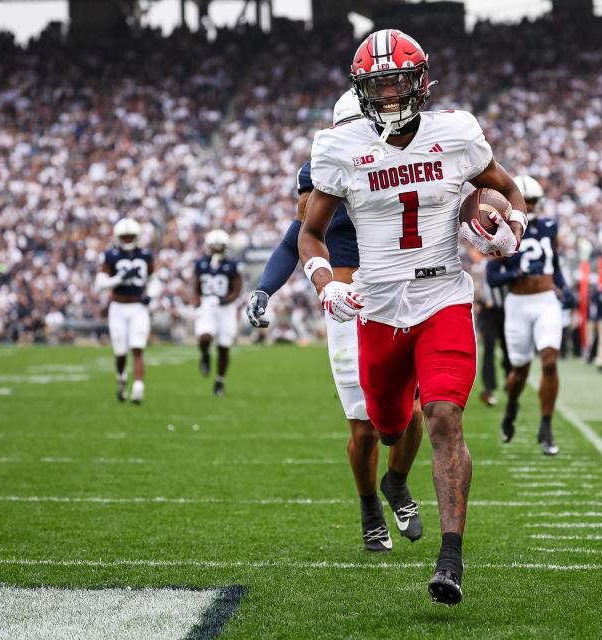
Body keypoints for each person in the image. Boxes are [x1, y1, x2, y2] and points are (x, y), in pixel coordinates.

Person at [297, 29, 527, 606]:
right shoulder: (339, 147)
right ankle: (392, 481)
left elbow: (508, 188)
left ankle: (451, 559)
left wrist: (511, 229)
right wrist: (325, 285)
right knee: (388, 426)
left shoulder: (456, 133)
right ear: (362, 89)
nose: (391, 92)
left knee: (445, 415)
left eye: (399, 80)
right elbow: (309, 233)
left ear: (420, 81)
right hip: (377, 305)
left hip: (443, 295)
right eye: (379, 84)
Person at [246, 90, 426, 553]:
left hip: (405, 301)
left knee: (415, 414)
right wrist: (266, 287)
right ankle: (369, 507)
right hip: (348, 304)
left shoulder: (404, 160)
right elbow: (297, 238)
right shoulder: (322, 173)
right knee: (364, 428)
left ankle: (397, 482)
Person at [486, 174, 565, 456]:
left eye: (531, 201)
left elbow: (554, 263)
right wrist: (515, 272)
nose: (528, 206)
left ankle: (546, 426)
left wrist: (562, 288)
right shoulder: (498, 229)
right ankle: (511, 408)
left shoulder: (548, 227)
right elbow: (492, 278)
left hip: (545, 301)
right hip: (518, 304)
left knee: (550, 361)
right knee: (519, 370)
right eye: (525, 201)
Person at [95, 218, 153, 404]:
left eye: (130, 237)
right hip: (118, 307)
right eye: (124, 237)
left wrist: (150, 294)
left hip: (138, 307)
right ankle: (121, 379)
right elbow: (99, 285)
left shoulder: (146, 255)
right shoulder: (110, 255)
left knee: (138, 348)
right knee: (120, 352)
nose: (128, 240)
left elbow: (154, 279)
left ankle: (138, 387)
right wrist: (119, 278)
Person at [194, 229, 243, 397]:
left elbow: (237, 289)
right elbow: (195, 287)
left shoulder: (232, 265)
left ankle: (219, 380)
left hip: (225, 309)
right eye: (213, 246)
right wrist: (197, 302)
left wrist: (225, 300)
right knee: (204, 337)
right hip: (207, 305)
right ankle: (205, 355)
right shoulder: (201, 264)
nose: (216, 249)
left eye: (219, 246)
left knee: (223, 347)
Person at [472, 251, 510, 407]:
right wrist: (478, 301)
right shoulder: (481, 265)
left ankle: (510, 379)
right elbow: (476, 286)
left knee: (508, 349)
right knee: (488, 348)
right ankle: (488, 388)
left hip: (507, 311)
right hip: (488, 312)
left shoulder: (509, 263)